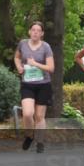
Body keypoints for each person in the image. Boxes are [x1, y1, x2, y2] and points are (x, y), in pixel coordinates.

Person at [13, 21, 55, 153]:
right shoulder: (23, 44)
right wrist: (19, 66)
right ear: (29, 32)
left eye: (38, 30)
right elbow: (17, 57)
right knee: (27, 113)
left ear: (42, 33)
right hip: (27, 84)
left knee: (39, 116)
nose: (35, 32)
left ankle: (40, 142)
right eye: (33, 30)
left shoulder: (46, 47)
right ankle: (29, 136)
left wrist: (35, 63)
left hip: (43, 85)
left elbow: (51, 68)